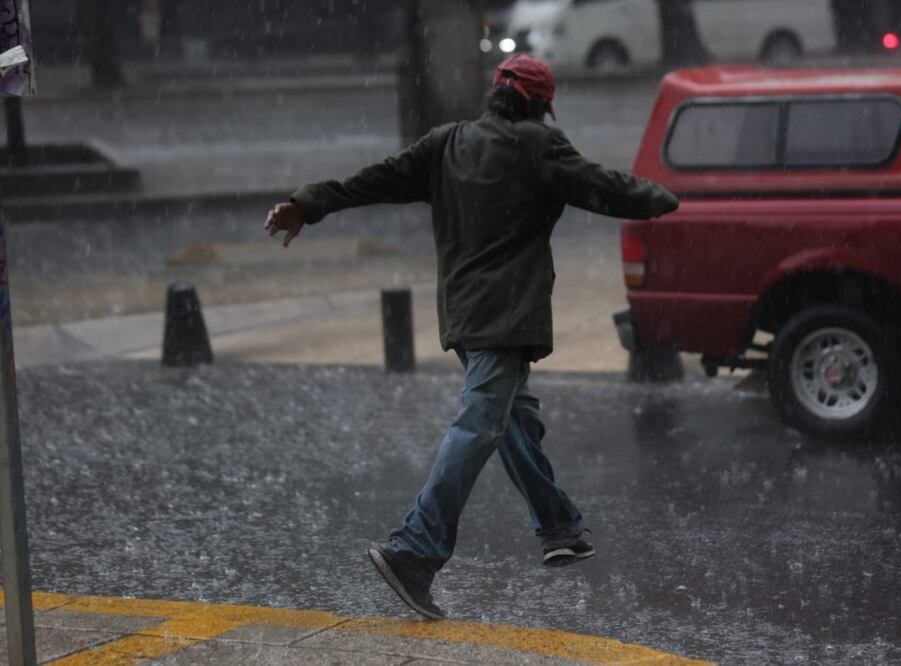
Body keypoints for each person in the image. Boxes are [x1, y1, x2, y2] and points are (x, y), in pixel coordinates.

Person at [264, 54, 678, 620]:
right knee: (480, 425)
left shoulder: (446, 142)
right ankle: (415, 549)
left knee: (513, 421)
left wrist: (308, 204)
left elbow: (373, 179)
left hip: (461, 314)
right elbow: (604, 188)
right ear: (538, 106)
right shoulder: (540, 145)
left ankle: (558, 526)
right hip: (507, 318)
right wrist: (666, 197)